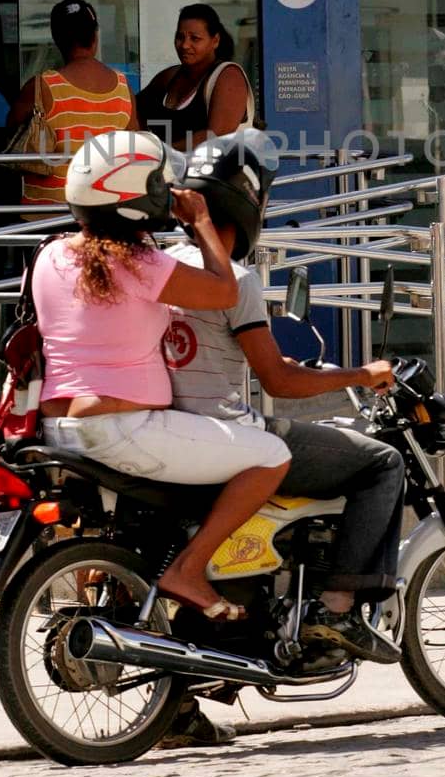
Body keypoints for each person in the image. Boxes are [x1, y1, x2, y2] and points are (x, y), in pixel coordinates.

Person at [163, 129, 406, 666]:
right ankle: (336, 609)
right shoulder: (237, 280)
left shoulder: (160, 268)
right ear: (249, 201)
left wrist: (289, 364)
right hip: (227, 432)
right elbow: (279, 384)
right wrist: (360, 374)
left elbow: (250, 356)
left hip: (167, 431)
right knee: (381, 463)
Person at [33, 128, 291, 620]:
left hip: (60, 427)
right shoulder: (140, 262)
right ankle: (188, 571)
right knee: (272, 457)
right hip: (123, 428)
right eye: (159, 186)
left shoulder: (50, 254)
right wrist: (201, 223)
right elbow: (224, 292)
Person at [8, 0, 135, 211]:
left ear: (56, 39)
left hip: (50, 215)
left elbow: (12, 129)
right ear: (95, 37)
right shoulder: (123, 86)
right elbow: (135, 142)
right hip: (105, 211)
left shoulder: (41, 86)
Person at [137, 5, 254, 153]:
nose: (185, 45)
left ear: (215, 40)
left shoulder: (228, 77)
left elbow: (214, 136)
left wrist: (162, 153)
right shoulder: (168, 77)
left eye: (195, 39)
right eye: (180, 37)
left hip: (212, 174)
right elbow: (133, 110)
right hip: (166, 172)